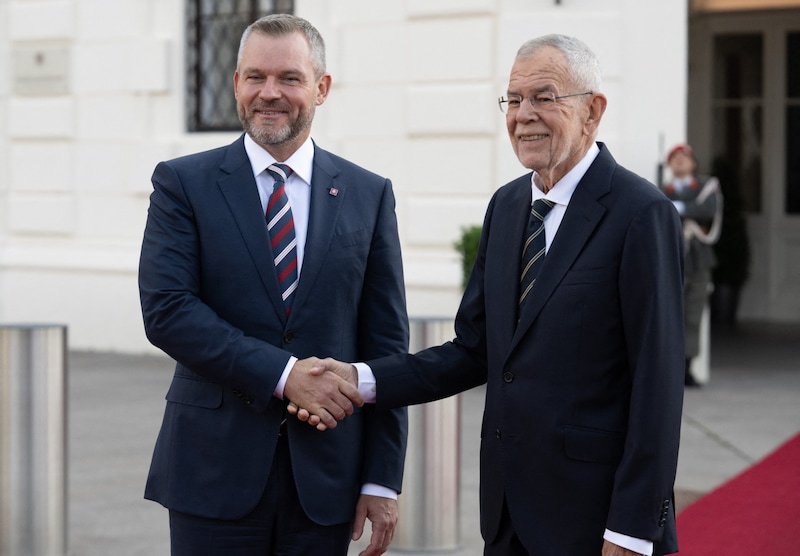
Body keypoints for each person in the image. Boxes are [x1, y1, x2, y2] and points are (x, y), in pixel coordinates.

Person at [296, 34, 686, 555]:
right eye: (514, 99)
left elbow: (658, 386)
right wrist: (360, 380)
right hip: (507, 518)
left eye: (544, 97)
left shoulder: (641, 214)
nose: (523, 115)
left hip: (597, 524)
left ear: (592, 111)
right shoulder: (507, 208)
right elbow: (474, 351)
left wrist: (632, 530)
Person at [138, 14, 409, 556]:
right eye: (255, 76)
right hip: (212, 473)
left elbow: (385, 347)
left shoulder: (368, 194)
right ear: (235, 82)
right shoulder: (182, 183)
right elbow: (167, 309)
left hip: (328, 478)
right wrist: (285, 375)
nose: (270, 93)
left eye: (289, 78)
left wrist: (381, 479)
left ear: (321, 88)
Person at [661, 143, 723, 387]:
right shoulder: (661, 189)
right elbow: (660, 211)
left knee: (693, 314)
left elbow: (707, 211)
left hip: (699, 259)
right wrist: (687, 209)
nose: (680, 161)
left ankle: (686, 367)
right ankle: (668, 366)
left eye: (684, 157)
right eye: (675, 158)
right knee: (669, 314)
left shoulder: (706, 188)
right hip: (672, 259)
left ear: (693, 163)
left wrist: (680, 207)